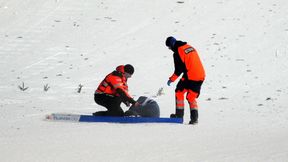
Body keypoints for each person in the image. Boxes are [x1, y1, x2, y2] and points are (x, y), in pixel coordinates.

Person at [165, 36, 205, 124]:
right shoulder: (189, 47)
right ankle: (194, 119)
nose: (170, 49)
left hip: (191, 76)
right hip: (201, 75)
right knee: (191, 97)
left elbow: (178, 70)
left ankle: (179, 116)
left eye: (169, 47)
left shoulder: (177, 52)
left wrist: (171, 79)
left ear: (171, 46)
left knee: (179, 91)